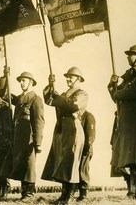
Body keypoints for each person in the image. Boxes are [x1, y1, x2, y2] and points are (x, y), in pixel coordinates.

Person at [108, 44, 136, 199]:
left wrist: (119, 92)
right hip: (127, 118)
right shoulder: (127, 76)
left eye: (131, 55)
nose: (128, 57)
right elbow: (116, 96)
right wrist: (112, 85)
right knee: (131, 157)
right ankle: (132, 191)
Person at [42, 67, 88, 205]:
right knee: (62, 163)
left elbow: (73, 106)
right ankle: (63, 196)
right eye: (67, 77)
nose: (68, 79)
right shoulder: (63, 94)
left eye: (71, 77)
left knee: (71, 163)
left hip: (73, 129)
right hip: (62, 130)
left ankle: (70, 196)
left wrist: (58, 97)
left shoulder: (82, 94)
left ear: (78, 79)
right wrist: (49, 86)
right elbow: (49, 101)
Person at [3, 69, 45, 201]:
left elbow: (39, 121)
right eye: (20, 81)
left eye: (24, 81)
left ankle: (29, 194)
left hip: (29, 137)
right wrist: (5, 76)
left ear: (31, 82)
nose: (21, 83)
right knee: (21, 165)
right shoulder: (20, 99)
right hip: (18, 137)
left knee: (29, 165)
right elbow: (3, 94)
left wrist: (38, 142)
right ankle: (24, 194)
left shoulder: (35, 99)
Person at [77, 110, 96, 201]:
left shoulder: (88, 116)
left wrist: (88, 145)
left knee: (83, 170)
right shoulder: (76, 116)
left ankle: (84, 194)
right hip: (76, 149)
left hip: (85, 148)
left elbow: (91, 134)